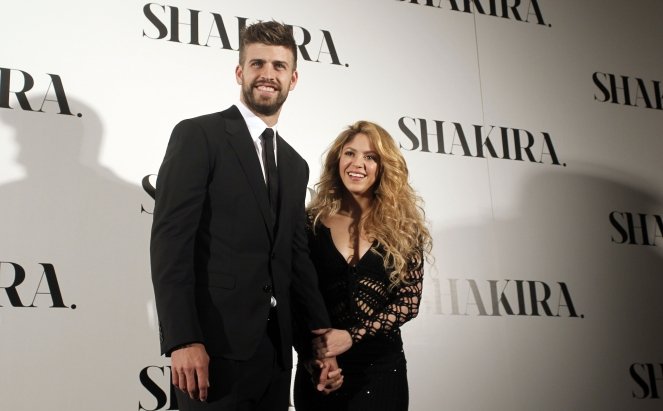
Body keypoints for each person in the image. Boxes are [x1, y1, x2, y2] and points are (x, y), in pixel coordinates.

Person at [150, 21, 339, 411]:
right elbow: (171, 244)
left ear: (293, 79)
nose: (268, 74)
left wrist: (317, 340)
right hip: (210, 352)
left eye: (279, 66)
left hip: (275, 358)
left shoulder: (295, 164)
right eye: (257, 64)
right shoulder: (199, 136)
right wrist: (183, 339)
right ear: (240, 72)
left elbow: (295, 259)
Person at [293, 121, 433, 410]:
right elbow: (294, 297)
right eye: (350, 153)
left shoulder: (404, 229)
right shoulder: (308, 224)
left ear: (383, 167)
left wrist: (351, 336)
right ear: (337, 160)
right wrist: (312, 356)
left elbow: (408, 302)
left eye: (370, 157)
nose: (357, 164)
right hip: (321, 370)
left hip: (381, 371)